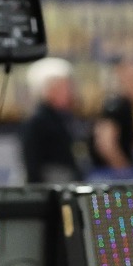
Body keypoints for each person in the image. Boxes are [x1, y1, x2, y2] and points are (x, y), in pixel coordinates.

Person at [19, 56, 87, 184]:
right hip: (52, 186)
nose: (69, 91)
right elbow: (32, 164)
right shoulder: (36, 121)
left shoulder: (67, 118)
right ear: (48, 90)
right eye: (63, 86)